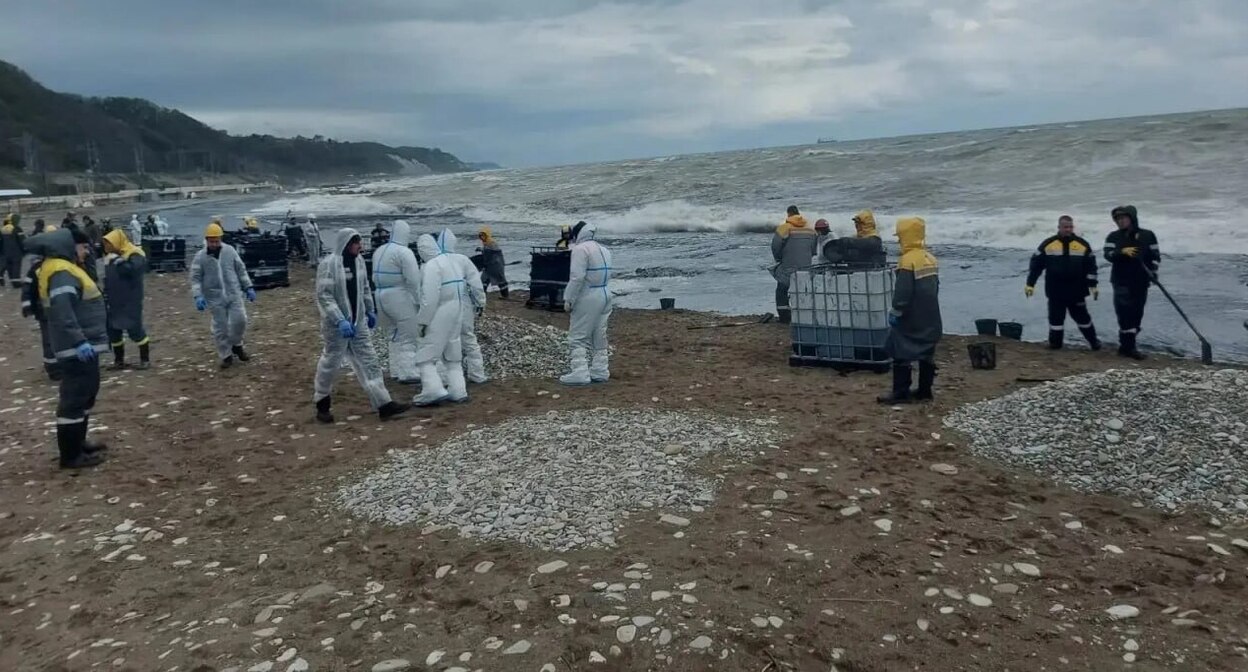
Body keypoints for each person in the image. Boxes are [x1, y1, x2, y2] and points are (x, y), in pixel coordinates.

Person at [25, 227, 110, 469]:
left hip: (83, 347)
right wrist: (79, 341)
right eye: (83, 247)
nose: (85, 252)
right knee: (74, 398)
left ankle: (79, 443)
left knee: (85, 395)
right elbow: (63, 311)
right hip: (77, 348)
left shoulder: (61, 268)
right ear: (68, 247)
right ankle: (71, 455)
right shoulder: (61, 272)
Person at [313, 228, 410, 423]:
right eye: (357, 243)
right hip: (336, 327)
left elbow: (365, 288)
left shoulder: (358, 262)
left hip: (358, 323)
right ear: (347, 244)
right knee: (331, 363)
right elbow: (324, 295)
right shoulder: (329, 264)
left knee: (370, 361)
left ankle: (384, 404)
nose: (361, 246)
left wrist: (370, 309)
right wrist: (339, 319)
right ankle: (322, 402)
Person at [878, 217, 942, 404]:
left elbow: (903, 294)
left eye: (900, 237)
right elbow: (936, 288)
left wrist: (896, 312)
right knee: (927, 354)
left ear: (906, 237)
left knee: (900, 353)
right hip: (931, 317)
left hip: (911, 319)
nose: (899, 240)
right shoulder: (930, 258)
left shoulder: (906, 261)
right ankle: (924, 391)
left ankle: (900, 393)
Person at [1025, 215, 1101, 350]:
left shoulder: (1082, 245)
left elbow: (1091, 267)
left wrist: (1093, 286)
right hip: (1055, 291)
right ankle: (1055, 344)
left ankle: (1094, 342)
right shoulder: (1048, 244)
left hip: (1077, 291)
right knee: (1056, 320)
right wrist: (1030, 284)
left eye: (1070, 227)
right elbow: (1036, 266)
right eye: (1065, 227)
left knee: (1083, 319)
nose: (1068, 230)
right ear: (1059, 227)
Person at [190, 221, 256, 368]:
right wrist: (198, 295)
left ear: (221, 239)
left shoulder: (230, 251)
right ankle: (226, 355)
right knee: (221, 328)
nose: (214, 244)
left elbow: (240, 269)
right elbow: (195, 278)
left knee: (240, 321)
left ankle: (237, 345)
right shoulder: (200, 257)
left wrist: (248, 286)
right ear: (207, 240)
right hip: (214, 298)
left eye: (217, 241)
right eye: (212, 241)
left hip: (233, 293)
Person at [412, 233, 468, 405]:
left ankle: (432, 389)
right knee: (452, 352)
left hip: (440, 311)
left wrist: (422, 322)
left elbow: (429, 299)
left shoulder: (432, 266)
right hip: (457, 309)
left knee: (426, 354)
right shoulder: (451, 262)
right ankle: (458, 390)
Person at [559, 221, 613, 386]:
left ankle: (580, 371)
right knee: (599, 333)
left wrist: (568, 299)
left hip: (588, 295)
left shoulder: (580, 250)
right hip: (605, 293)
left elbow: (577, 277)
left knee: (578, 335)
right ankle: (600, 370)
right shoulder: (604, 249)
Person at [1104, 205, 1159, 360]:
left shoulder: (1148, 235)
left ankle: (1125, 346)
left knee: (1136, 314)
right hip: (1121, 280)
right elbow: (1107, 255)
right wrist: (1121, 252)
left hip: (1141, 281)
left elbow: (1155, 256)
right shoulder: (1113, 236)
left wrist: (1153, 272)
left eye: (1123, 218)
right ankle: (1129, 348)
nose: (1120, 222)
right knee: (1124, 314)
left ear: (1132, 218)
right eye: (1118, 219)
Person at [371, 220, 424, 383]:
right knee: (409, 334)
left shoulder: (379, 250)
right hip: (399, 295)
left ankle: (395, 369)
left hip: (380, 295)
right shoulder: (404, 252)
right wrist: (418, 301)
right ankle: (408, 372)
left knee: (393, 334)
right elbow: (413, 280)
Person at [436, 228, 489, 384]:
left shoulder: (433, 261)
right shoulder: (462, 259)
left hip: (442, 306)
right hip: (463, 303)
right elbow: (475, 284)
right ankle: (477, 374)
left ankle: (445, 378)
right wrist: (480, 303)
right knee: (469, 339)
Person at [102, 229, 152, 369]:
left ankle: (145, 359)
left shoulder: (135, 254)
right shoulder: (112, 256)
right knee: (113, 330)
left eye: (108, 243)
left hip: (130, 299)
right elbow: (109, 278)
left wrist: (119, 261)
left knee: (134, 328)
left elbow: (133, 270)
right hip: (114, 300)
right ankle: (119, 361)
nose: (106, 247)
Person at [20, 223, 61, 381]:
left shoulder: (40, 266)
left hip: (49, 308)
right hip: (46, 309)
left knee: (52, 338)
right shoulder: (43, 266)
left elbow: (27, 287)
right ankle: (53, 368)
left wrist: (27, 306)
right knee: (50, 338)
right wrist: (27, 306)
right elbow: (28, 287)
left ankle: (56, 366)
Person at [770, 205, 817, 323]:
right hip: (806, 267)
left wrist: (779, 258)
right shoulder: (811, 229)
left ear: (788, 214)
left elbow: (775, 246)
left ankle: (785, 317)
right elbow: (814, 250)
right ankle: (804, 316)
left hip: (788, 266)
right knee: (803, 290)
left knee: (782, 289)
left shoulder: (784, 228)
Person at [822, 210, 887, 268]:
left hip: (872, 269)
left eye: (859, 223)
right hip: (858, 267)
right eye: (856, 223)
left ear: (866, 224)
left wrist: (846, 241)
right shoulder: (858, 237)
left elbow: (863, 243)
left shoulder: (874, 239)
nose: (856, 225)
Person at [476, 226, 509, 298]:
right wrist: (481, 249)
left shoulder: (492, 242)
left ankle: (505, 295)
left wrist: (483, 250)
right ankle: (482, 294)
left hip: (496, 265)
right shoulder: (485, 243)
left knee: (501, 280)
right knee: (484, 279)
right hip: (489, 265)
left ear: (487, 235)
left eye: (483, 235)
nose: (481, 237)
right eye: (480, 235)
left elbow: (494, 253)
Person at [1, 213, 23, 289]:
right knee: (16, 267)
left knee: (9, 267)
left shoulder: (3, 228)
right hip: (16, 252)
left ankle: (11, 280)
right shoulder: (17, 228)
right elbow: (21, 240)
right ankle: (16, 283)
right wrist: (24, 250)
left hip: (5, 252)